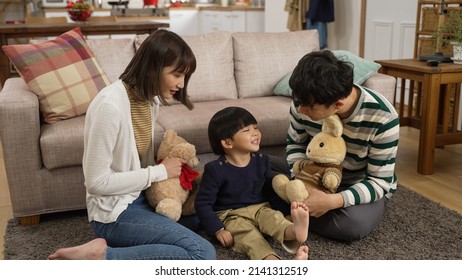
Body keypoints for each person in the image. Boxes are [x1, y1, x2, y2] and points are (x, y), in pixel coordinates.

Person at [48, 29, 216, 260]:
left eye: (185, 76)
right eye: (177, 74)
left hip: (143, 197)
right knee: (201, 253)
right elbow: (96, 183)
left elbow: (136, 161)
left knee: (209, 209)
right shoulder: (110, 106)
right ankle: (102, 256)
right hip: (117, 213)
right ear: (152, 67)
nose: (181, 83)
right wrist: (159, 171)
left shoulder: (149, 100)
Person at [276, 49, 400, 242]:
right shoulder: (302, 101)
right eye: (298, 101)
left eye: (309, 107)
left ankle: (289, 212)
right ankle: (303, 209)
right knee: (258, 165)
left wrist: (331, 201)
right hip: (311, 173)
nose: (300, 110)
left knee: (353, 226)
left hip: (356, 183)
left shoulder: (383, 117)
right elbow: (295, 145)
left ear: (338, 105)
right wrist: (302, 183)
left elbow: (379, 182)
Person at [195, 106, 310, 260]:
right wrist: (217, 229)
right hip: (231, 215)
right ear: (228, 143)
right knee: (250, 238)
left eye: (255, 128)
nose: (255, 132)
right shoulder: (215, 170)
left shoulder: (262, 161)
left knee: (274, 218)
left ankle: (296, 230)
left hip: (260, 208)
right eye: (246, 130)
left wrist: (286, 213)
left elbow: (270, 190)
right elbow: (202, 203)